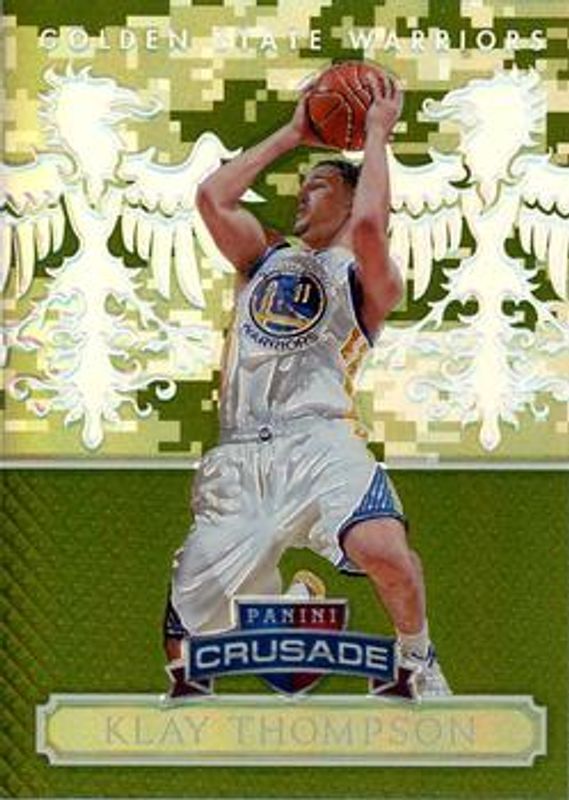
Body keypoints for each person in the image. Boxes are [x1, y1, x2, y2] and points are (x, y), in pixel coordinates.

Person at [163, 71, 450, 700]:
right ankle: (283, 603)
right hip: (242, 452)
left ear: (348, 198)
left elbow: (369, 227)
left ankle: (417, 659)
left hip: (320, 439)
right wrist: (296, 131)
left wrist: (376, 135)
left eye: (317, 186)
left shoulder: (371, 277)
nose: (301, 196)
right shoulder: (264, 256)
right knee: (184, 653)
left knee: (386, 551)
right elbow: (213, 197)